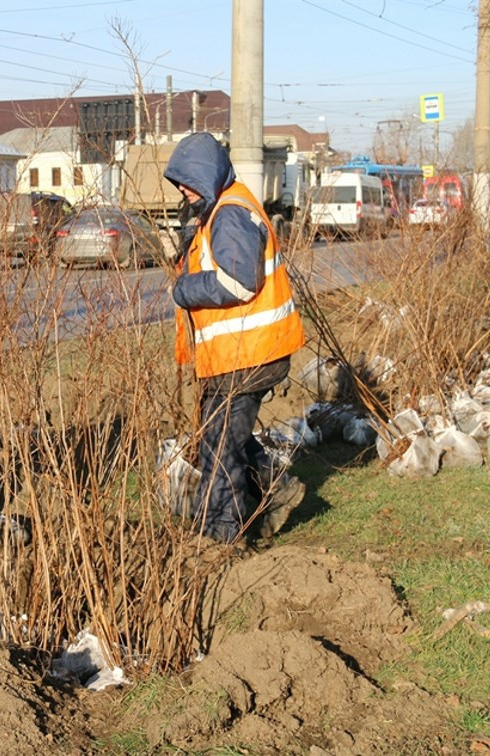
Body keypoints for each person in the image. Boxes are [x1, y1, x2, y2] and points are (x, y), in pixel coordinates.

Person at [163, 132, 306, 543]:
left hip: (247, 356)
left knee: (219, 451)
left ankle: (224, 539)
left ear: (207, 175)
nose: (184, 189)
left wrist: (184, 288)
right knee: (225, 439)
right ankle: (277, 490)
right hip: (242, 355)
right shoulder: (223, 210)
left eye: (188, 180)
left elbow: (239, 283)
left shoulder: (230, 214)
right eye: (179, 183)